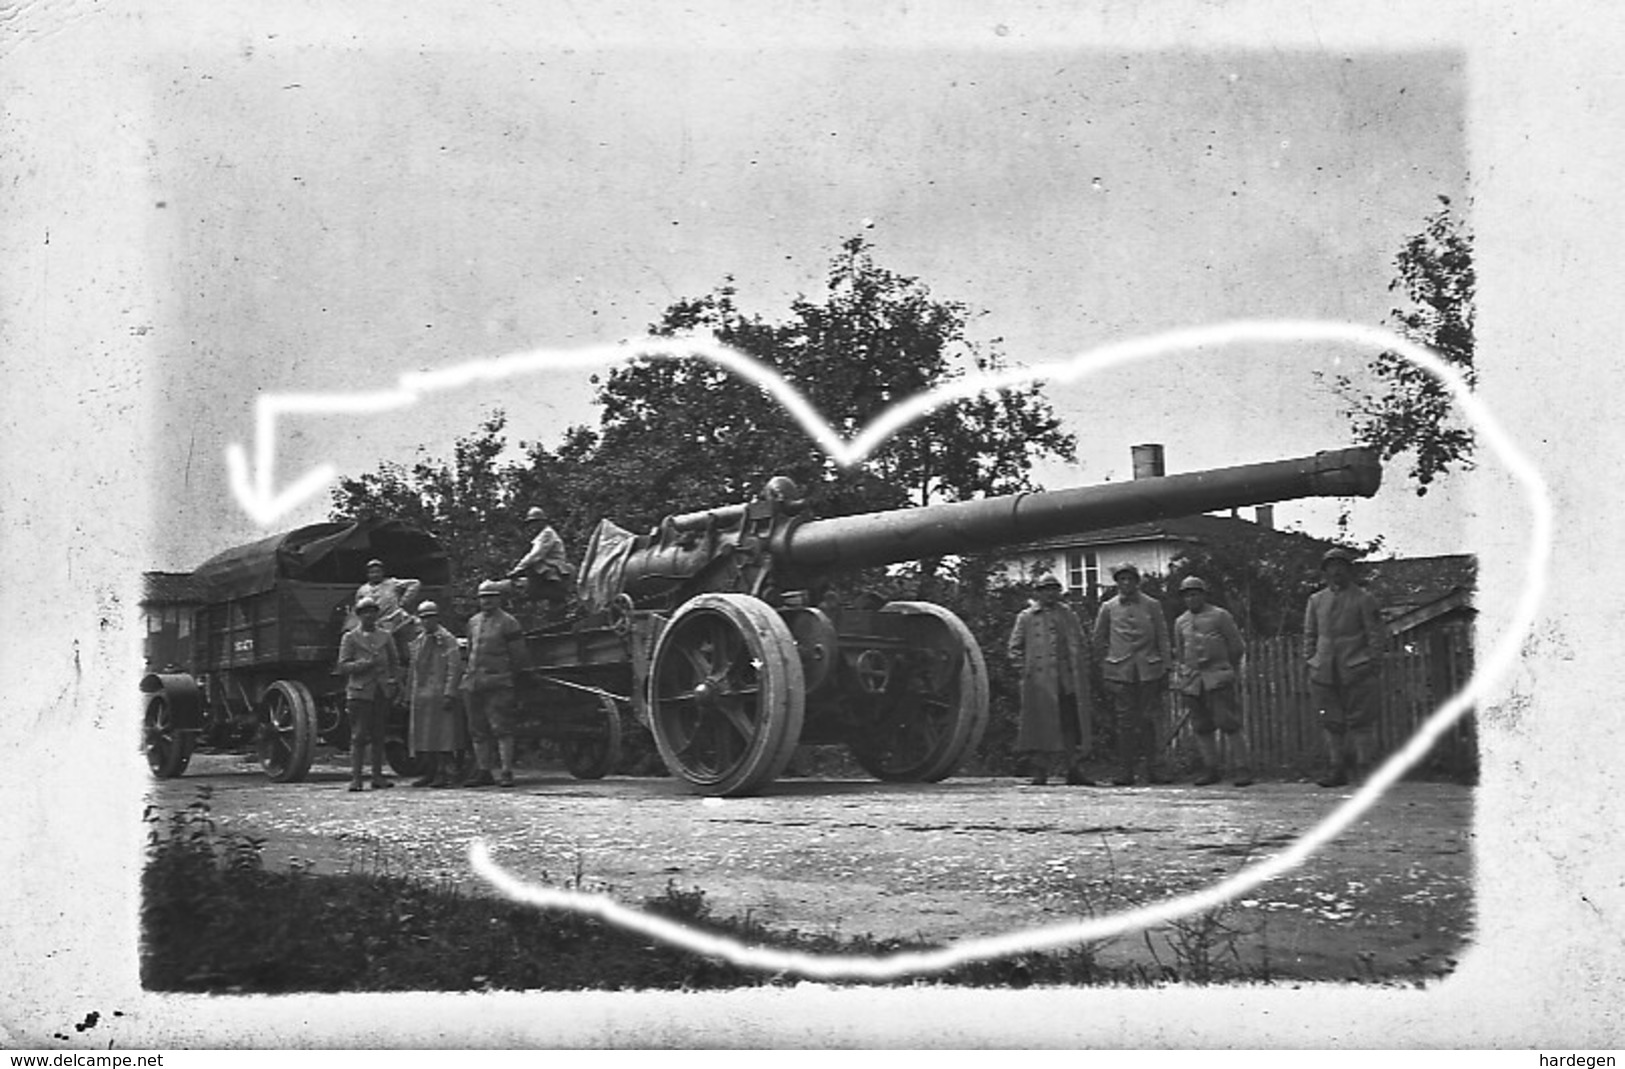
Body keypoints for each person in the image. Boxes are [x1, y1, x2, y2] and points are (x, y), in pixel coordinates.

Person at [1304, 547, 1387, 788]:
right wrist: (1311, 661)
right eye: (1331, 567)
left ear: (1349, 570)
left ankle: (1365, 772)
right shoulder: (1316, 601)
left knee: (1361, 723)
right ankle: (1337, 770)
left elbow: (1375, 635)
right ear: (1325, 572)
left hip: (1357, 670)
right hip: (1324, 672)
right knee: (1331, 723)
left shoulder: (1364, 599)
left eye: (1341, 566)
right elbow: (1310, 635)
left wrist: (1372, 664)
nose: (1336, 571)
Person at [1007, 576, 1095, 786]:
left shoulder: (1068, 615)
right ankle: (1040, 770)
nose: (1050, 593)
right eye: (1045, 590)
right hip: (1039, 681)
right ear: (1038, 592)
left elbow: (1081, 643)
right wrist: (1027, 671)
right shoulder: (1027, 617)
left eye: (1054, 589)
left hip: (1066, 678)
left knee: (1069, 724)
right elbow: (1014, 648)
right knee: (1039, 726)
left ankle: (1073, 768)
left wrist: (1080, 668)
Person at [1093, 563, 1172, 786]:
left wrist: (1166, 666)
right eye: (1121, 580)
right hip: (1120, 672)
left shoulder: (1152, 605)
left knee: (1148, 720)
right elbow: (1098, 640)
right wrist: (1104, 668)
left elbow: (1162, 636)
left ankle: (1154, 769)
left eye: (1130, 579)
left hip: (1149, 671)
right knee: (1124, 723)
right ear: (1116, 583)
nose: (1126, 584)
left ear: (1137, 582)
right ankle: (1125, 771)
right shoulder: (1108, 607)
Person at [1172, 576, 1253, 787]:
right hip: (1192, 679)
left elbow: (1236, 646)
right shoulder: (1181, 622)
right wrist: (1184, 674)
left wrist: (1226, 668)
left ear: (1204, 595)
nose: (1191, 598)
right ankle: (1211, 768)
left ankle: (1242, 768)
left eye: (1195, 593)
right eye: (1187, 595)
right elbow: (1181, 652)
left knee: (1228, 722)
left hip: (1217, 676)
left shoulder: (1220, 616)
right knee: (1201, 725)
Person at [460, 579, 529, 788]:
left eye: (490, 597)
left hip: (498, 682)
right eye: (483, 598)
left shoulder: (509, 622)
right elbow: (471, 648)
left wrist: (513, 676)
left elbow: (518, 654)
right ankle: (484, 771)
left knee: (502, 728)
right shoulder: (473, 622)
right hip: (474, 683)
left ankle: (506, 771)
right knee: (477, 729)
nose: (486, 601)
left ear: (498, 599)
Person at [335, 597, 401, 792]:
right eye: (365, 612)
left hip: (381, 691)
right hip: (359, 692)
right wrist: (363, 665)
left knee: (379, 734)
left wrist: (394, 681)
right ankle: (356, 778)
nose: (369, 615)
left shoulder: (386, 636)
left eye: (373, 611)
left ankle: (377, 776)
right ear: (359, 615)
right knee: (359, 735)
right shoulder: (350, 637)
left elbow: (394, 662)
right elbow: (342, 665)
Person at [407, 601, 465, 788]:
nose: (426, 621)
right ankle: (430, 772)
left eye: (430, 617)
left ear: (437, 618)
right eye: (423, 618)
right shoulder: (419, 640)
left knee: (443, 736)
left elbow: (454, 667)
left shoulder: (447, 639)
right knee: (425, 736)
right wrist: (409, 694)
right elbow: (413, 669)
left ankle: (446, 772)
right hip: (422, 695)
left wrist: (450, 692)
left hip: (439, 693)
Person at [509, 506, 575, 621]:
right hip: (549, 568)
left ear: (542, 522)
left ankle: (559, 598)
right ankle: (554, 605)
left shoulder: (547, 534)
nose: (532, 526)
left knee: (532, 588)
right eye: (530, 523)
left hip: (554, 569)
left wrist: (518, 569)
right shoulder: (541, 535)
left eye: (535, 522)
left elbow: (536, 554)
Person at [355, 558, 423, 659]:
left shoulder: (392, 583)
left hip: (394, 621)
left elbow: (415, 584)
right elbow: (358, 608)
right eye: (372, 572)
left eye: (378, 572)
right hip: (375, 625)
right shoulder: (362, 590)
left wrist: (403, 602)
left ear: (382, 572)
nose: (375, 575)